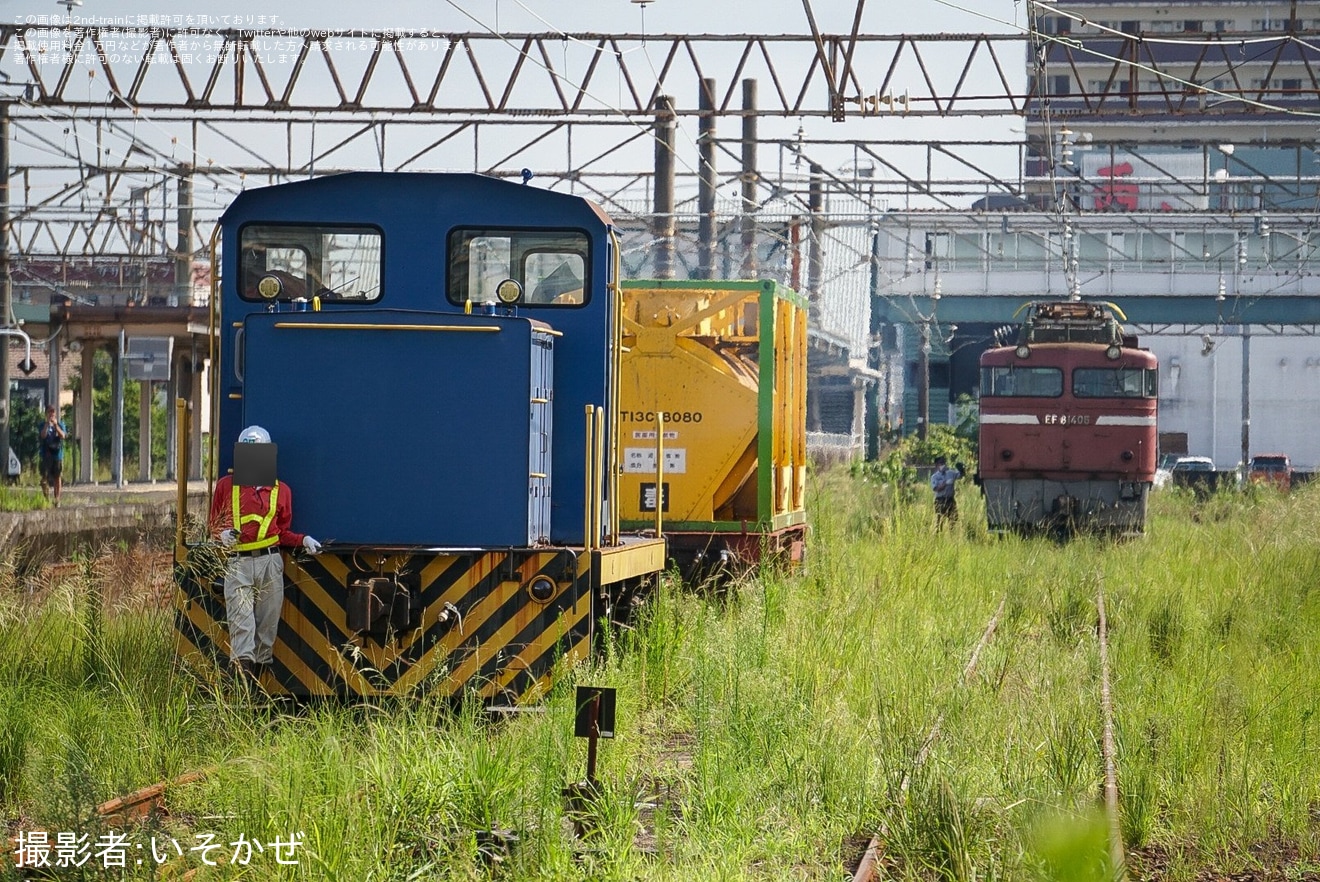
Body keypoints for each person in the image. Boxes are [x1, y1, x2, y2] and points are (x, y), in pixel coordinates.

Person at [209, 425, 322, 684]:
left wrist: (301, 539)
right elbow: (213, 525)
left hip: (270, 563)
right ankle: (243, 691)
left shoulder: (282, 491)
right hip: (237, 564)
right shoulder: (226, 486)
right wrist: (222, 535)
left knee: (267, 627)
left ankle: (258, 686)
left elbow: (281, 532)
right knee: (242, 626)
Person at [38, 405, 67, 506]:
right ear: (46, 414)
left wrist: (55, 426)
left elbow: (63, 435)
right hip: (46, 455)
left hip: (57, 455)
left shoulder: (60, 424)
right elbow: (43, 435)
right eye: (50, 412)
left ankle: (57, 499)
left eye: (53, 412)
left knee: (57, 477)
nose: (52, 414)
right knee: (44, 478)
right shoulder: (42, 425)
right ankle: (46, 499)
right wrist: (47, 424)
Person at [930, 455, 962, 528]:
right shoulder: (934, 477)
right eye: (941, 463)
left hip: (950, 499)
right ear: (937, 465)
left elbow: (960, 476)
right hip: (940, 500)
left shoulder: (950, 473)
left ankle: (951, 534)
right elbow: (936, 488)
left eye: (944, 463)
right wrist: (945, 484)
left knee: (954, 519)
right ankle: (938, 535)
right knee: (940, 520)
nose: (943, 465)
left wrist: (961, 470)